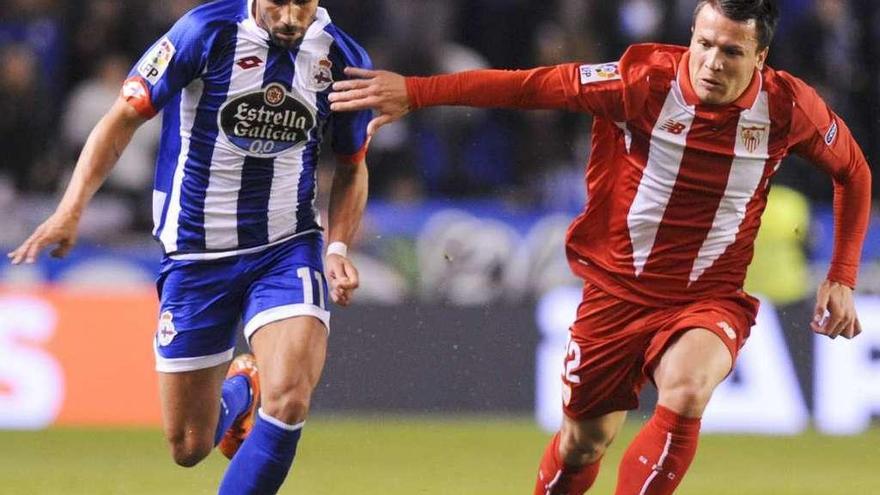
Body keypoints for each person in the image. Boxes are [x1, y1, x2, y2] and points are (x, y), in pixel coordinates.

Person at [328, 0, 872, 493]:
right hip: (615, 294)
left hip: (707, 298)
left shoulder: (788, 108)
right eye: (703, 44)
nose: (711, 62)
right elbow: (529, 87)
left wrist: (842, 275)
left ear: (761, 57)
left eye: (731, 51)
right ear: (691, 36)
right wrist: (418, 92)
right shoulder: (642, 81)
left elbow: (853, 171)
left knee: (686, 392)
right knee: (581, 444)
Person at [8, 0, 372, 493]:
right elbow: (121, 118)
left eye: (301, 4)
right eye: (278, 3)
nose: (289, 17)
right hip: (197, 253)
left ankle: (263, 395)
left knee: (288, 399)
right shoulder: (205, 31)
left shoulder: (342, 58)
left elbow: (352, 163)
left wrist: (337, 249)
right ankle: (242, 387)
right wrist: (71, 209)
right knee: (189, 445)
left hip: (286, 246)